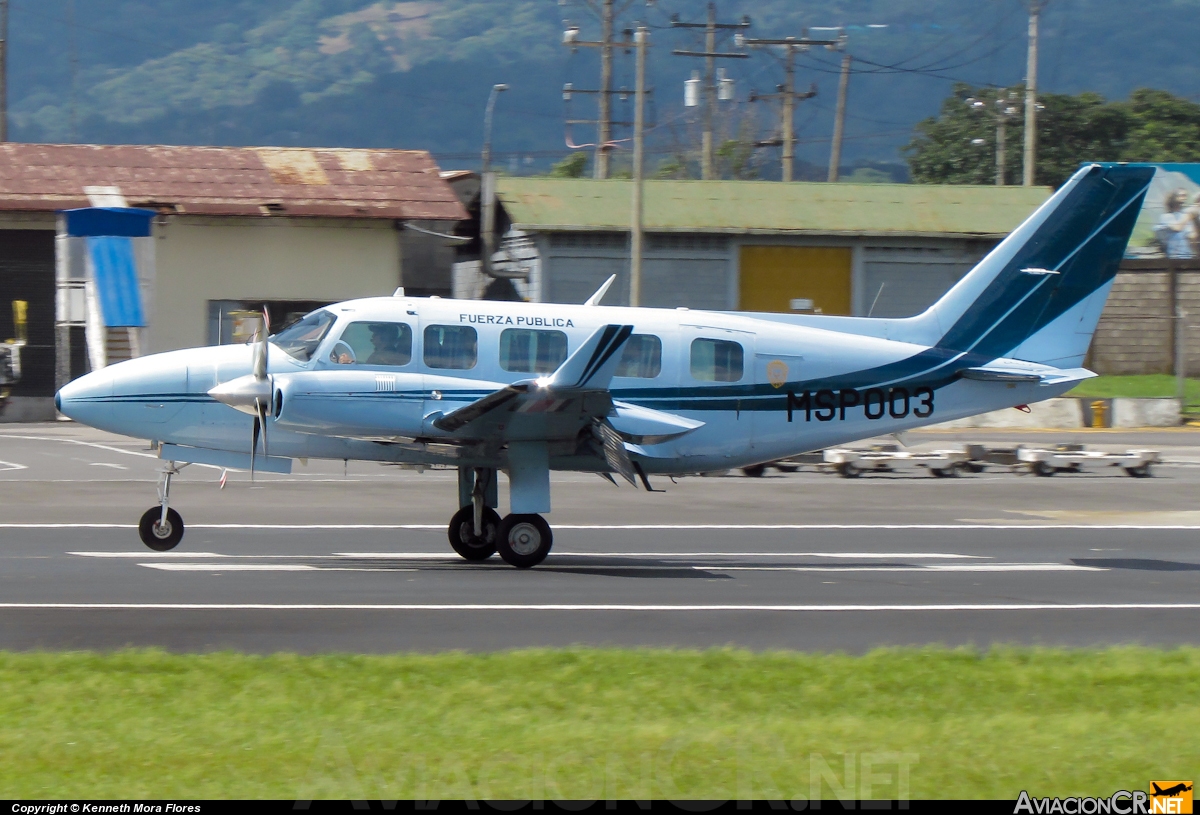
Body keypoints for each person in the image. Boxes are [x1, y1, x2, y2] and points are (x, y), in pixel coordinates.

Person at [1154, 188, 1196, 259]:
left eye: (1185, 196)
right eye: (1181, 195)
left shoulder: (1185, 215)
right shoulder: (1166, 216)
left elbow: (1191, 236)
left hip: (1187, 255)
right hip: (1174, 255)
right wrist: (1188, 216)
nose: (1184, 198)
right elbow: (1177, 228)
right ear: (1173, 198)